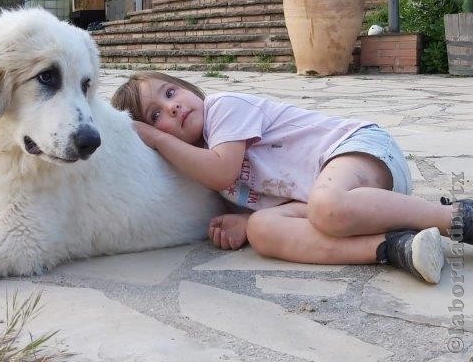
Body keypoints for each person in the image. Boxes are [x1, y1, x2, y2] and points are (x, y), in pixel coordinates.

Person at [111, 71, 472, 285]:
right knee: (263, 231)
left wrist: (156, 137)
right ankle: (395, 247)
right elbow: (265, 194)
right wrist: (245, 220)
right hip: (342, 203)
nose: (172, 107)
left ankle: (455, 217)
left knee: (327, 206)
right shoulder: (196, 163)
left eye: (171, 93)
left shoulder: (224, 108)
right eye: (156, 115)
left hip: (359, 151)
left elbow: (222, 168)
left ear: (188, 88)